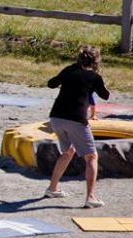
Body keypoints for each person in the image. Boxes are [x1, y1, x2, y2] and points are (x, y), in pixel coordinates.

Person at [44, 44, 110, 207]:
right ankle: (91, 197)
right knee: (91, 156)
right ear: (96, 61)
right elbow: (106, 95)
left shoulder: (69, 70)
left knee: (68, 151)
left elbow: (51, 83)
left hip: (57, 117)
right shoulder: (94, 77)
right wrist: (99, 78)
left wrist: (68, 74)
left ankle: (52, 188)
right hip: (76, 119)